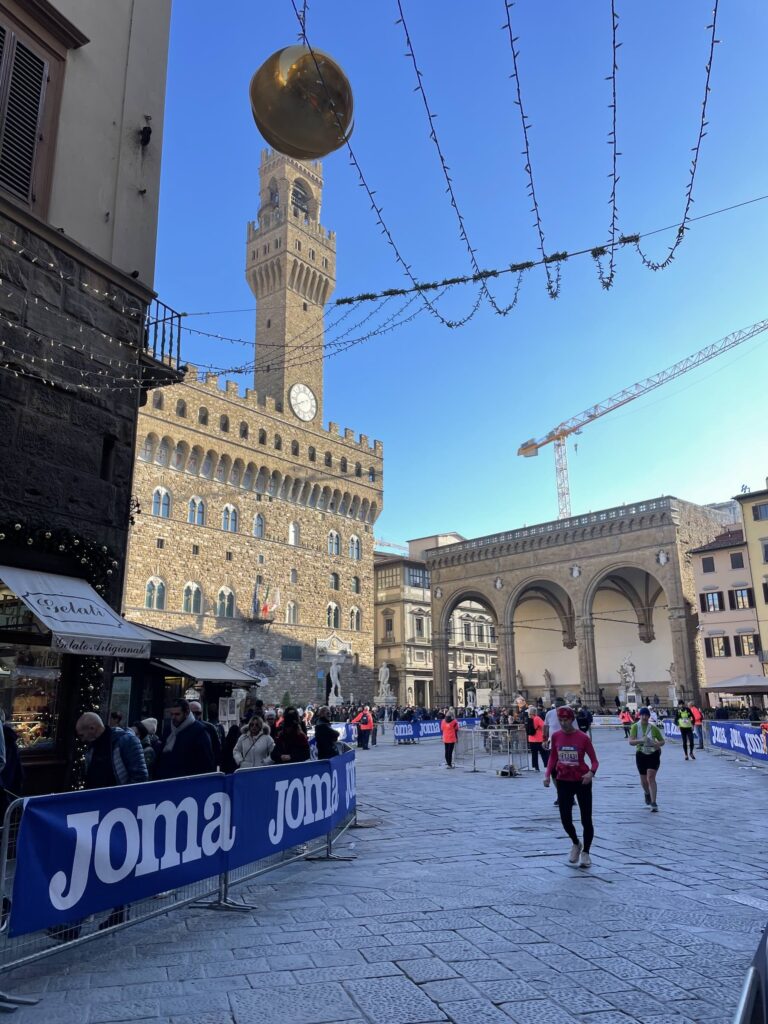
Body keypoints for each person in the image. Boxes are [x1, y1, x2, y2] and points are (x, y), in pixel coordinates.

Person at [48, 713, 147, 941]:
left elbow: (140, 776)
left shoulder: (124, 741)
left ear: (93, 728)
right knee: (98, 866)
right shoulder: (93, 747)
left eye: (82, 734)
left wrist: (122, 804)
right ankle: (106, 915)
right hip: (98, 815)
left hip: (120, 815)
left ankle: (77, 924)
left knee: (104, 866)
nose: (81, 739)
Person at [543, 706, 599, 869]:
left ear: (572, 719)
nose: (563, 723)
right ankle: (576, 842)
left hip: (581, 781)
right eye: (560, 720)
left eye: (565, 720)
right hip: (563, 780)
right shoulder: (556, 736)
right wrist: (547, 774)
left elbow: (594, 761)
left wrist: (591, 773)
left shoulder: (583, 738)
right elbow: (553, 757)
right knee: (565, 819)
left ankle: (586, 852)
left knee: (586, 819)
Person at [155, 698, 215, 779]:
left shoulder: (199, 731)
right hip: (166, 780)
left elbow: (206, 762)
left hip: (187, 782)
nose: (173, 717)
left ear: (186, 713)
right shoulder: (168, 729)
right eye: (171, 714)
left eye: (177, 714)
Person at [629, 707, 665, 812]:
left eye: (646, 715)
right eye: (642, 715)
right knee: (644, 780)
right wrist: (640, 740)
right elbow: (631, 742)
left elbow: (662, 741)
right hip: (641, 754)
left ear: (649, 716)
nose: (644, 717)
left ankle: (654, 802)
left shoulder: (653, 728)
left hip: (653, 754)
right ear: (639, 716)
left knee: (651, 777)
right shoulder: (635, 727)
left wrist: (655, 743)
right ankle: (647, 793)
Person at [189, 700, 222, 767]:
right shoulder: (181, 728)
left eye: (198, 713)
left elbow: (217, 749)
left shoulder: (209, 728)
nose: (195, 715)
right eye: (192, 713)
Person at [526, 706, 546, 772]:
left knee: (534, 754)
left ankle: (536, 767)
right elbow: (544, 726)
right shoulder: (537, 718)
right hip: (539, 739)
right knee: (543, 753)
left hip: (531, 739)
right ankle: (546, 765)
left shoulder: (528, 719)